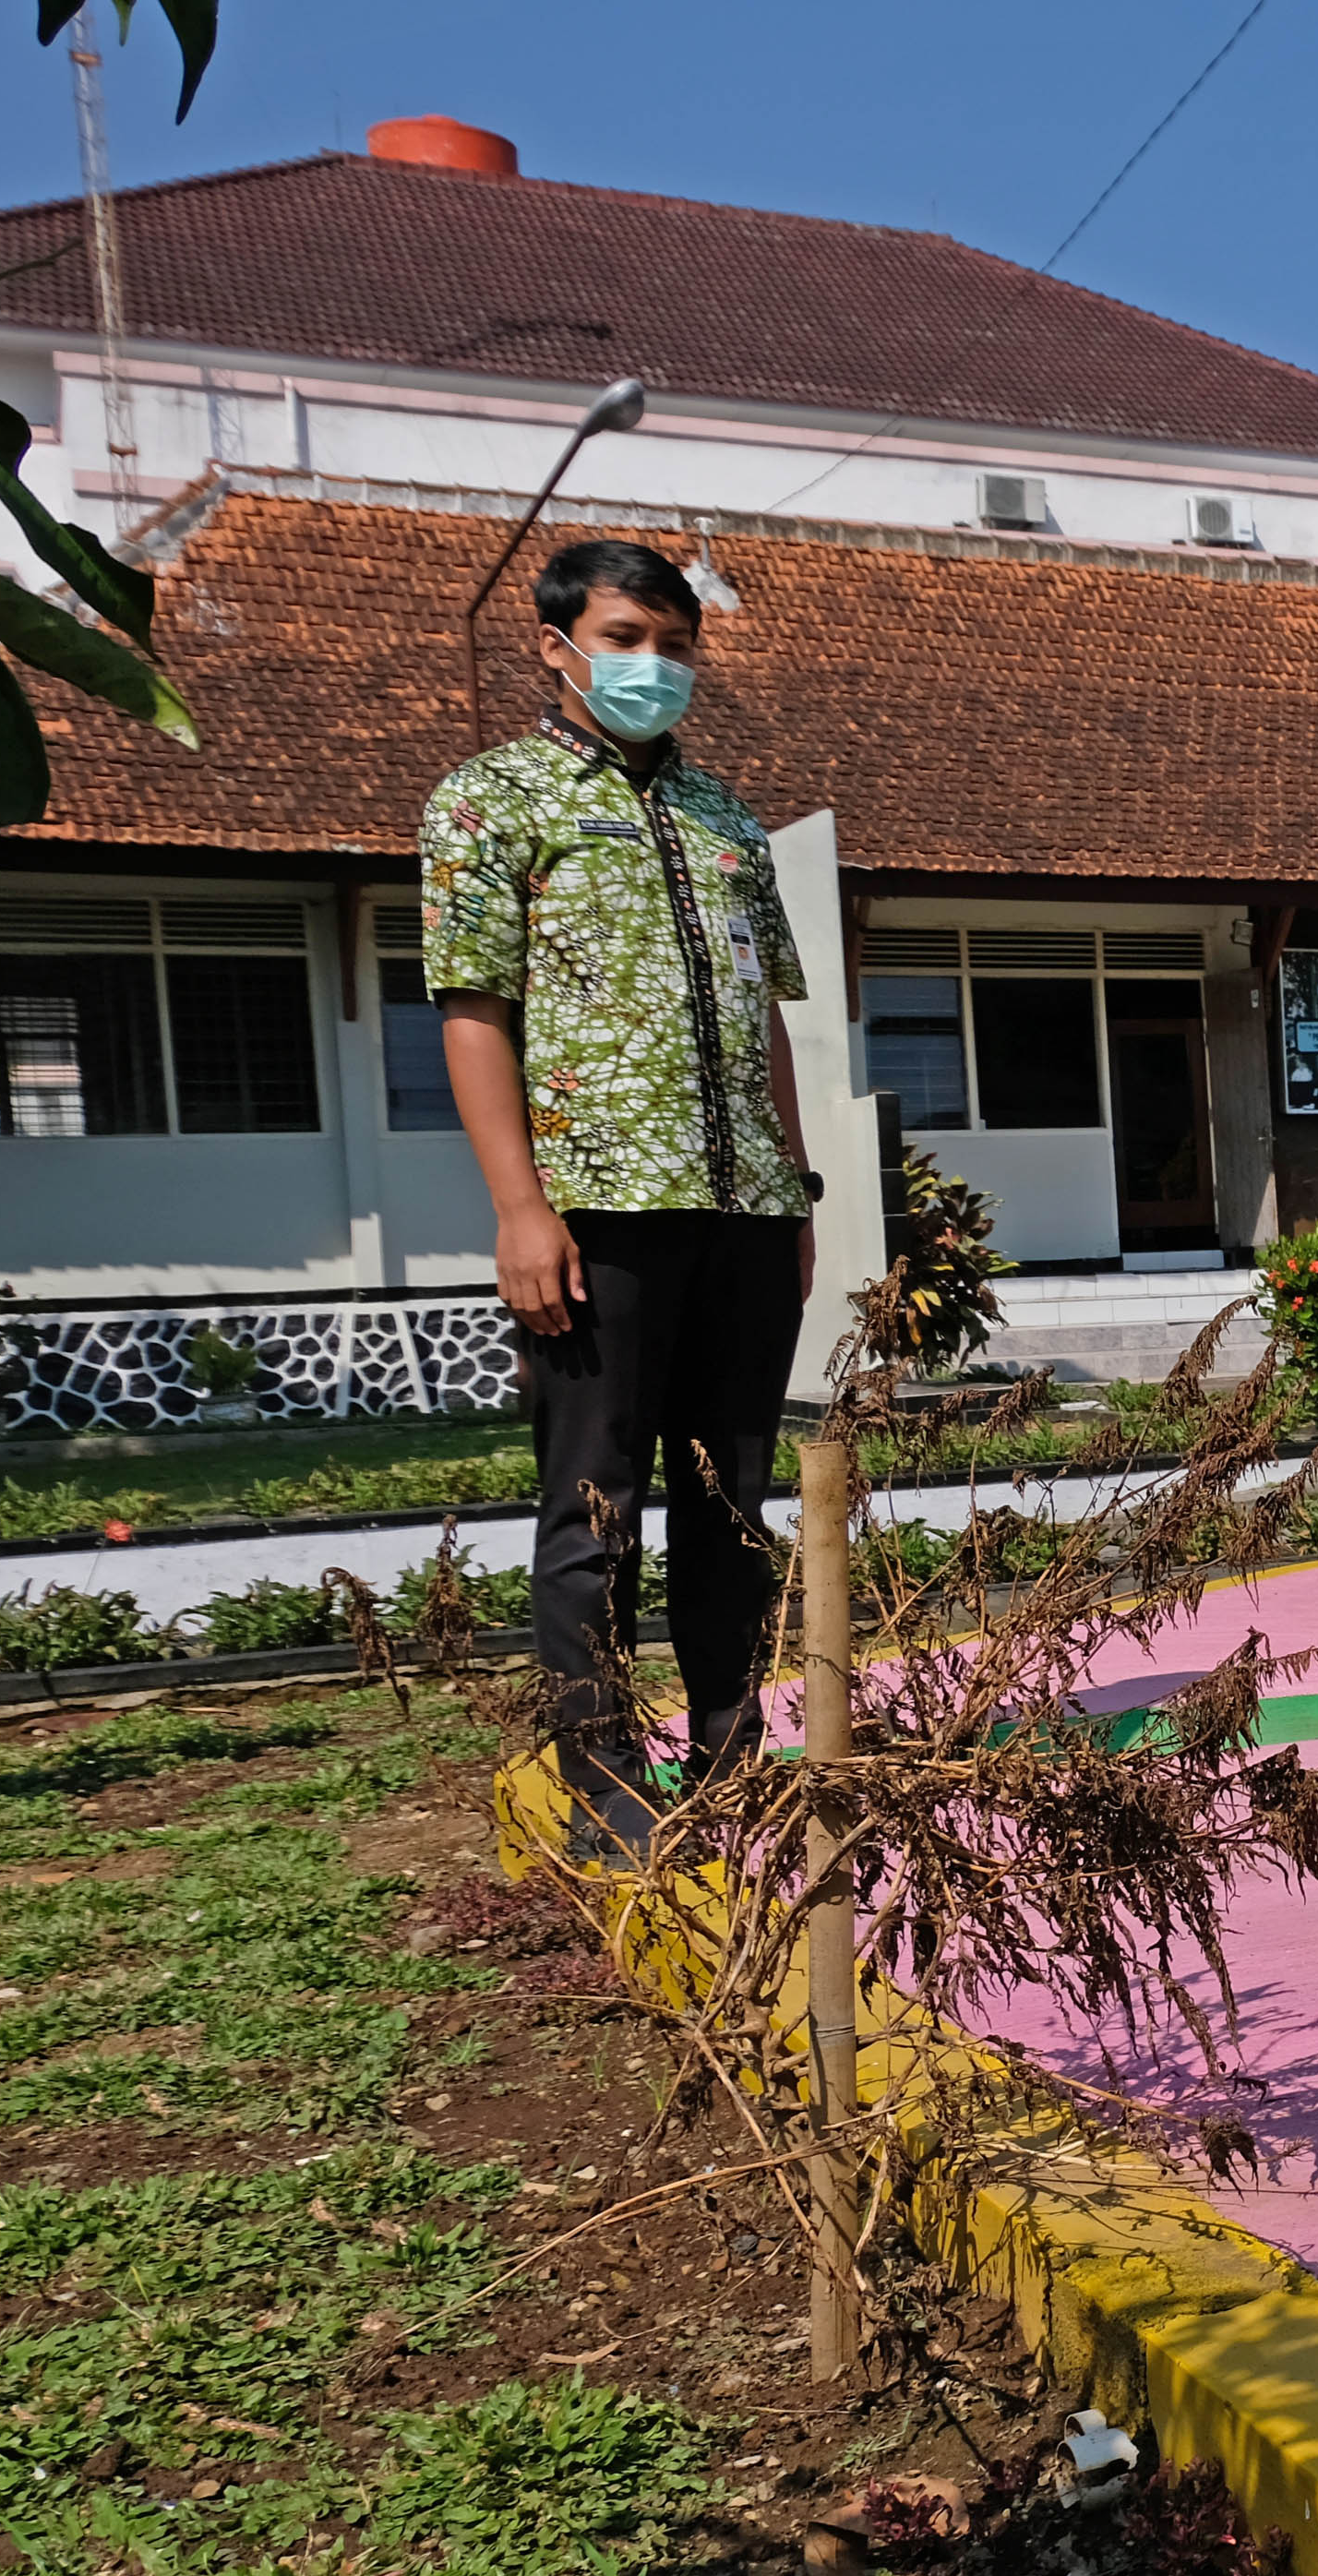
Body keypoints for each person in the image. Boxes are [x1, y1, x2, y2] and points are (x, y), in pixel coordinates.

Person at [423, 538, 822, 1862]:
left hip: (746, 1211)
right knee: (594, 1504)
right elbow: (475, 1015)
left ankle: (727, 1754)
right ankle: (601, 1783)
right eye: (626, 637)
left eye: (675, 643)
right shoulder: (492, 803)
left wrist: (797, 1189)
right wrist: (518, 1207)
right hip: (598, 1211)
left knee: (727, 1501)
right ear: (559, 644)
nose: (653, 664)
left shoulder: (728, 820)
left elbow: (767, 1019)